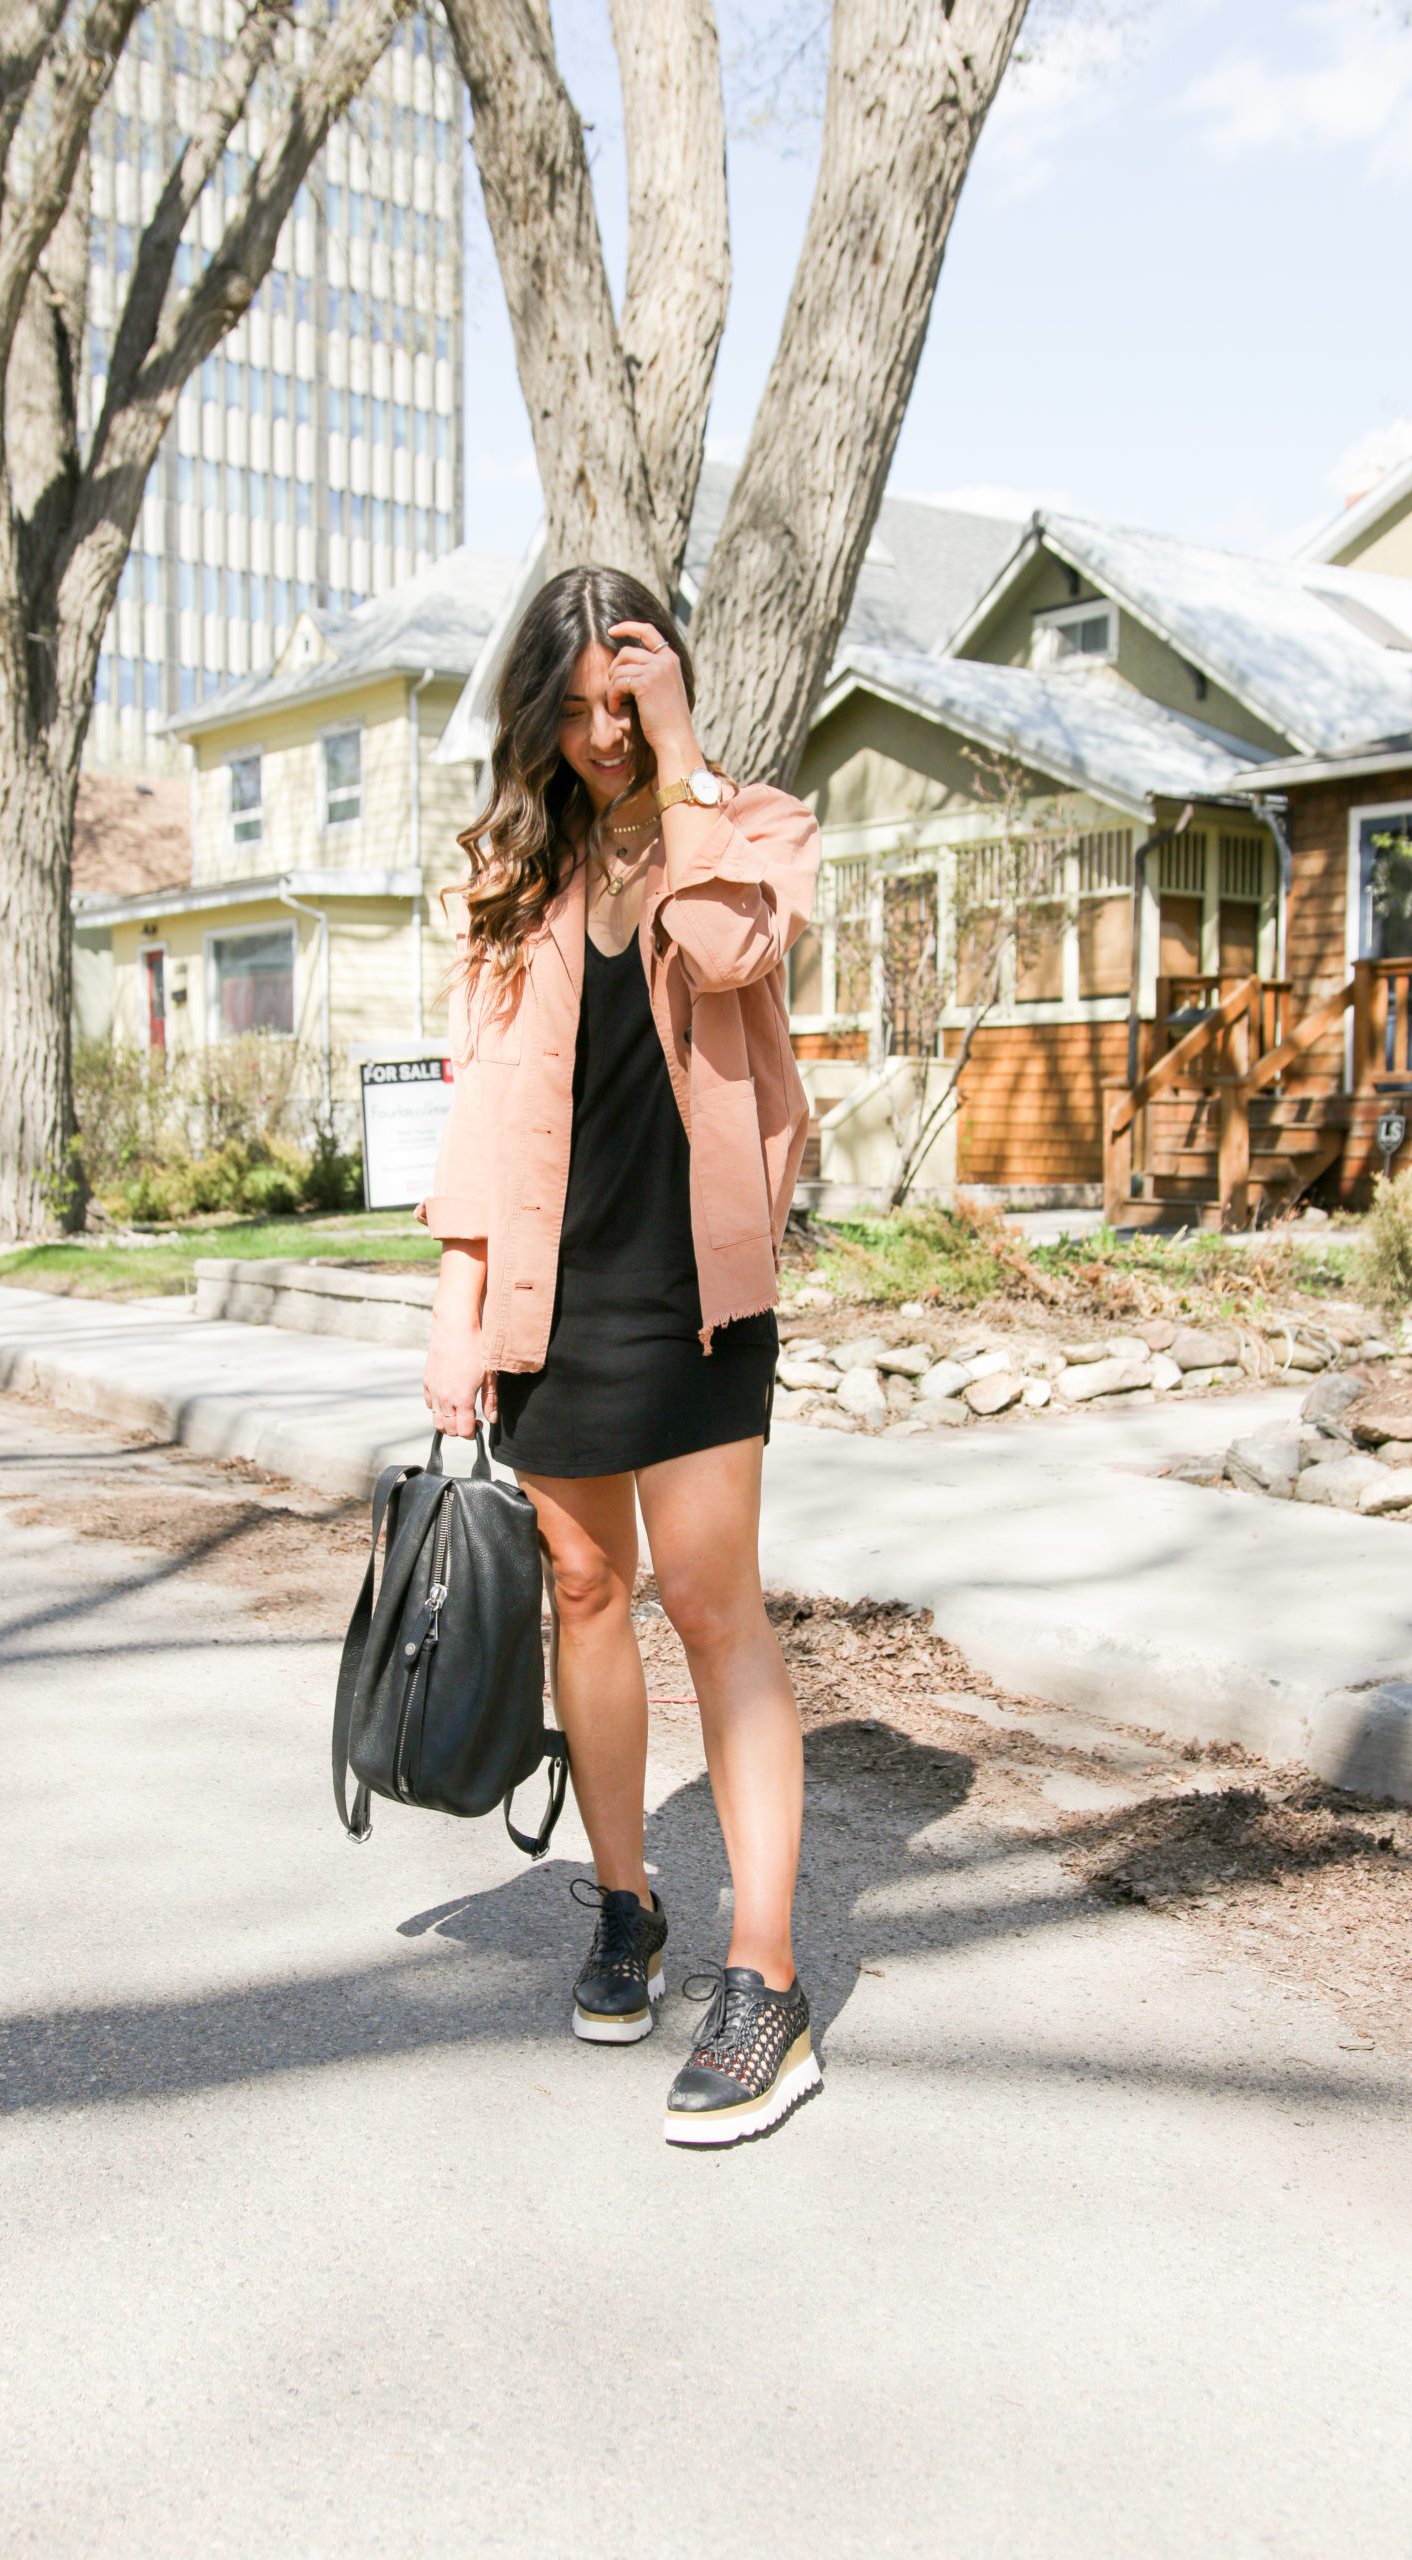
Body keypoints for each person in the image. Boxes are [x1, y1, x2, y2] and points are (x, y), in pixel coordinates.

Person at [415, 563, 823, 2149]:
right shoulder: (514, 872)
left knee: (716, 1606)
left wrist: (683, 756)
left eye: (625, 702)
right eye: (577, 708)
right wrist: (454, 1315)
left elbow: (726, 955)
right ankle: (626, 1905)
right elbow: (475, 1103)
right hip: (548, 1300)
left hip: (697, 1293)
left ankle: (768, 1984)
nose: (600, 735)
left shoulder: (753, 826)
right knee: (585, 1595)